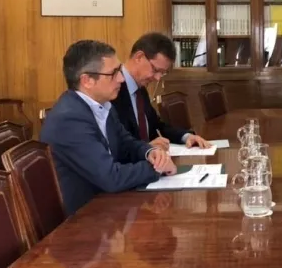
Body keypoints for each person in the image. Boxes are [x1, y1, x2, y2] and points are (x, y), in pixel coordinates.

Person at [40, 40, 177, 215]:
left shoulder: (103, 106)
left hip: (108, 206)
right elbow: (111, 177)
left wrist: (150, 152)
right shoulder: (69, 120)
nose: (121, 78)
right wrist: (158, 167)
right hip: (84, 218)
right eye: (113, 73)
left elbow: (127, 143)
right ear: (87, 80)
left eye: (119, 70)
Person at [112, 32, 211, 151]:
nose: (158, 78)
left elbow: (157, 125)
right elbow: (112, 145)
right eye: (155, 70)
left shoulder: (140, 89)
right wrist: (145, 149)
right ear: (139, 57)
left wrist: (186, 137)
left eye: (162, 73)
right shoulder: (112, 89)